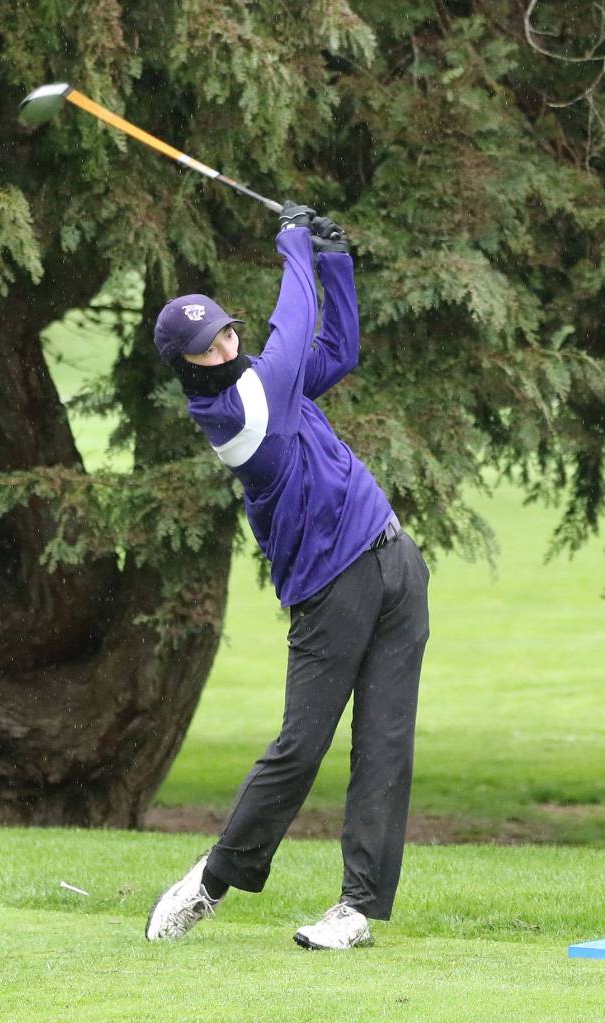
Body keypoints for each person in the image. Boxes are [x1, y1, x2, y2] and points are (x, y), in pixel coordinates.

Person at [146, 202, 430, 950]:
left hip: (395, 559)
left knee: (386, 741)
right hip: (330, 588)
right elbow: (297, 323)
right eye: (210, 344)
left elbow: (336, 345)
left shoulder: (268, 384)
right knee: (301, 747)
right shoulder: (237, 410)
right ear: (186, 364)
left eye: (228, 331)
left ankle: (357, 908)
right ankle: (210, 880)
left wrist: (335, 259)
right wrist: (297, 246)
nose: (227, 343)